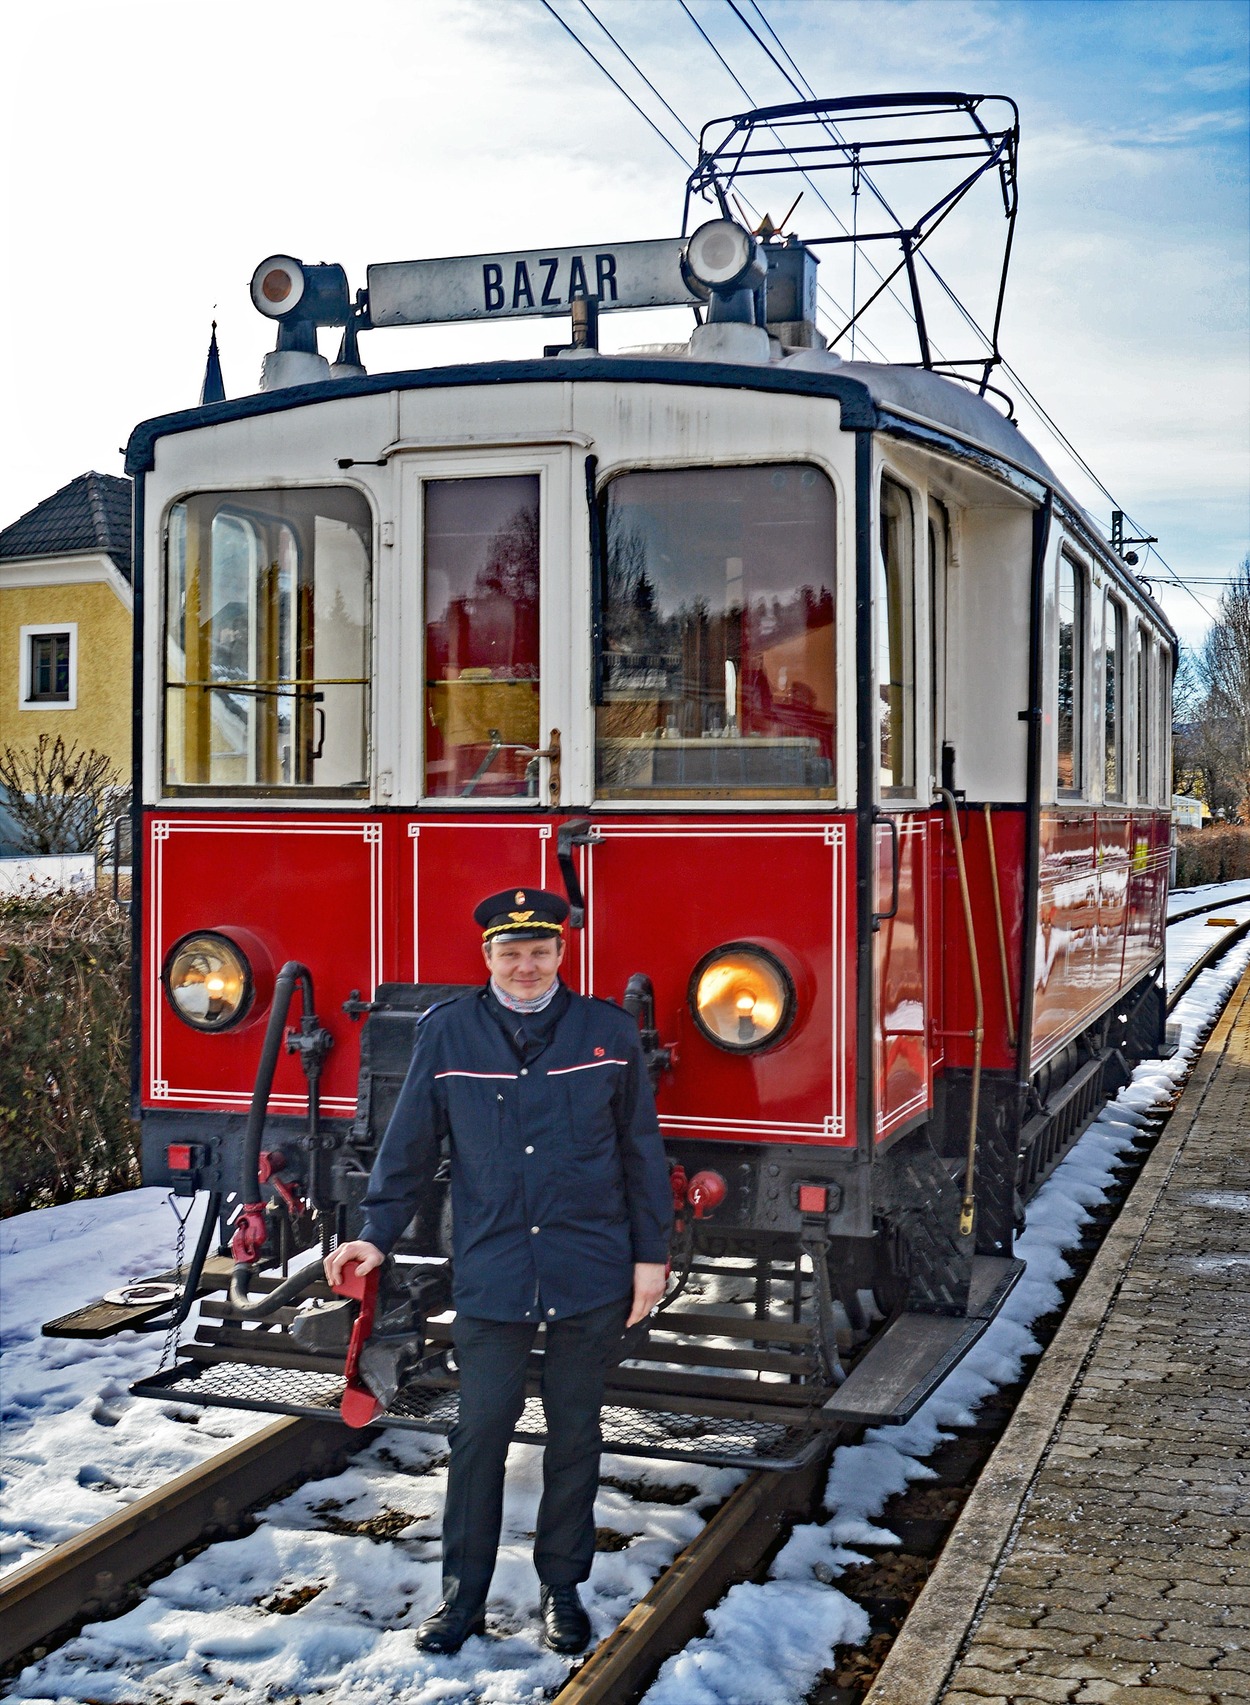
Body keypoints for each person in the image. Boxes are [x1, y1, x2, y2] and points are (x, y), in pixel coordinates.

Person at [325, 886, 672, 1656]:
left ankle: (562, 1589)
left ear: (561, 952)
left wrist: (651, 1257)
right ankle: (461, 1599)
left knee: (575, 1433)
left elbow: (641, 1153)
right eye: (510, 953)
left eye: (539, 951)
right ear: (487, 956)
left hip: (589, 1266)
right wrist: (375, 1235)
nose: (526, 966)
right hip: (494, 1267)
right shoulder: (448, 1033)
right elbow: (408, 1147)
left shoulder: (607, 1032)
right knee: (480, 1432)